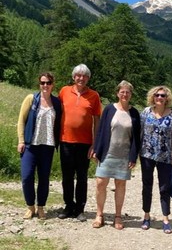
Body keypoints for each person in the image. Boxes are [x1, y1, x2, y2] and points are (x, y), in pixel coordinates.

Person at [91, 80, 141, 229]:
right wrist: (96, 150)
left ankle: (118, 216)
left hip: (124, 155)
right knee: (101, 183)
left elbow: (136, 138)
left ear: (131, 94)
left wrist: (133, 157)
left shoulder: (134, 113)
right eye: (122, 91)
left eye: (128, 92)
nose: (125, 94)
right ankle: (99, 214)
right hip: (107, 153)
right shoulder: (109, 109)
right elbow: (101, 131)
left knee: (120, 184)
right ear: (117, 93)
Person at [58, 64, 101, 222]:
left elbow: (97, 120)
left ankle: (80, 209)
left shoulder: (94, 96)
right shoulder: (63, 92)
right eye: (78, 75)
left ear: (88, 78)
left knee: (82, 177)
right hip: (65, 141)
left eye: (84, 76)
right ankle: (68, 206)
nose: (81, 78)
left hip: (85, 143)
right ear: (73, 77)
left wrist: (94, 144)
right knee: (67, 176)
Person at [17, 72, 62, 220]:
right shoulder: (31, 99)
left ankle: (41, 207)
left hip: (47, 146)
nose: (45, 85)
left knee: (44, 178)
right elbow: (21, 121)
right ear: (39, 84)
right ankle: (30, 206)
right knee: (27, 176)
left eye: (48, 83)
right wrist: (21, 141)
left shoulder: (56, 103)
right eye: (42, 83)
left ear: (52, 84)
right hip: (31, 145)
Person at [140, 85, 172, 234]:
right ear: (152, 97)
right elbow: (139, 133)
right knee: (147, 186)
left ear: (167, 98)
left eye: (163, 95)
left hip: (165, 157)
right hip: (146, 156)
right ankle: (146, 216)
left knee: (164, 188)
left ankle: (165, 218)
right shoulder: (145, 113)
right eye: (157, 95)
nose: (159, 98)